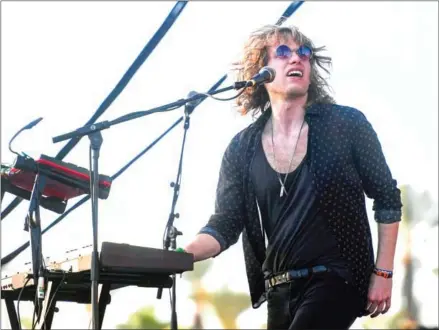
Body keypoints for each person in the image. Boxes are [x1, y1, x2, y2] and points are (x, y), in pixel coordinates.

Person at [183, 24, 402, 329]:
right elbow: (226, 224)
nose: (297, 58)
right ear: (261, 71)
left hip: (337, 276)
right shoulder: (242, 148)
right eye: (283, 52)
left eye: (305, 53)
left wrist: (383, 273)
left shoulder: (345, 124)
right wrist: (180, 255)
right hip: (279, 289)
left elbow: (387, 197)